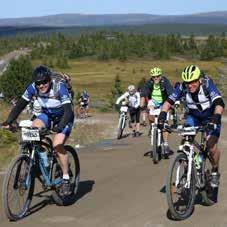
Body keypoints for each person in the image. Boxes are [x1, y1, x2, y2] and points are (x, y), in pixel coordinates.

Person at [2, 65, 74, 196]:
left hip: (64, 117)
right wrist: (9, 121)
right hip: (47, 115)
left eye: (44, 82)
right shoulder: (32, 88)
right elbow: (20, 105)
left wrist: (60, 126)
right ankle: (43, 163)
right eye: (38, 83)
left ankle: (65, 177)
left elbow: (68, 110)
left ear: (49, 80)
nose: (41, 85)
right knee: (32, 131)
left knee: (57, 145)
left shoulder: (59, 87)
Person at [158, 65, 225, 188]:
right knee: (185, 144)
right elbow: (168, 102)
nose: (190, 85)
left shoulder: (207, 84)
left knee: (211, 146)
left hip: (211, 117)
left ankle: (215, 171)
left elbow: (219, 102)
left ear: (199, 79)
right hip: (193, 117)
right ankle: (187, 172)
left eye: (193, 81)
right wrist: (162, 116)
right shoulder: (182, 87)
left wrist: (216, 117)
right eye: (187, 82)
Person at [140, 67, 173, 152]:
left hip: (164, 102)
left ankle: (165, 143)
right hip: (153, 101)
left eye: (157, 76)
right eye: (154, 76)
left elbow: (170, 92)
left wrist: (171, 103)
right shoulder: (149, 82)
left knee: (165, 123)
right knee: (150, 112)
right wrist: (142, 105)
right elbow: (144, 92)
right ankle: (152, 126)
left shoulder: (165, 81)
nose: (156, 78)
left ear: (160, 76)